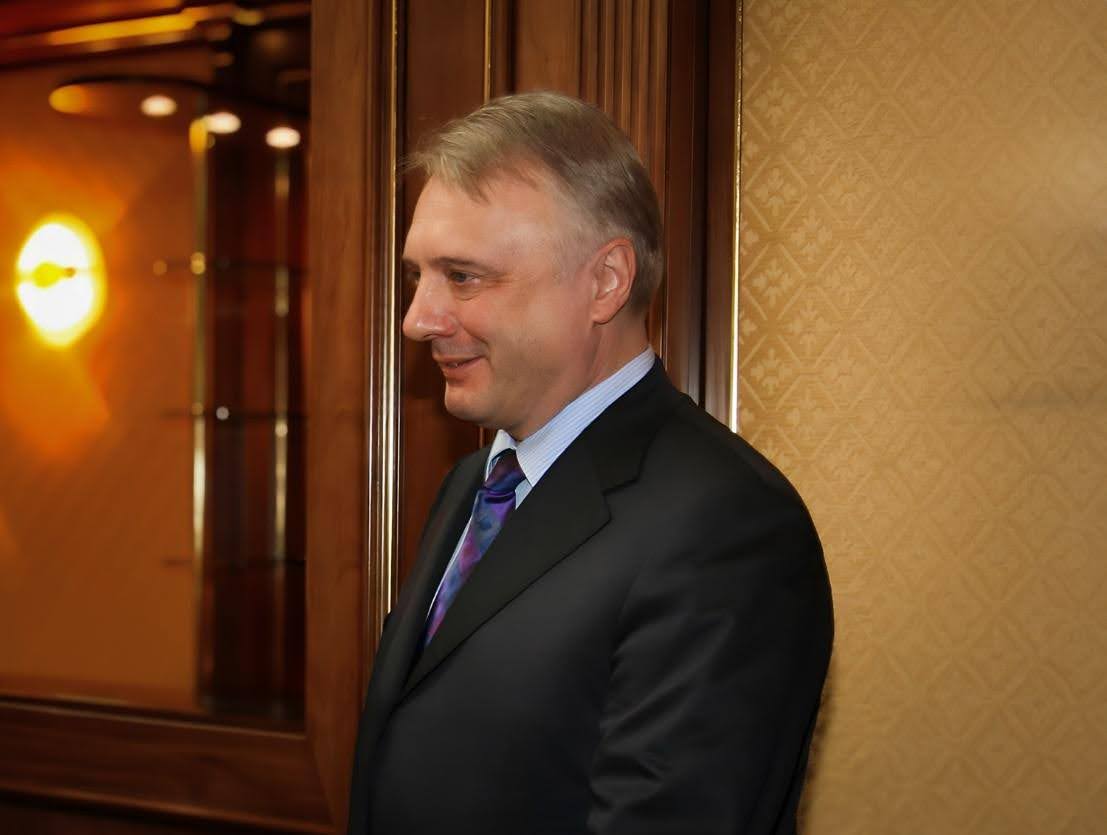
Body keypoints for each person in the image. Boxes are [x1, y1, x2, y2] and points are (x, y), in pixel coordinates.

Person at [347, 91, 833, 835]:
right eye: (418, 276)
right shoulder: (473, 484)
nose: (417, 319)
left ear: (605, 281)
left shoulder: (728, 525)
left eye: (463, 276)